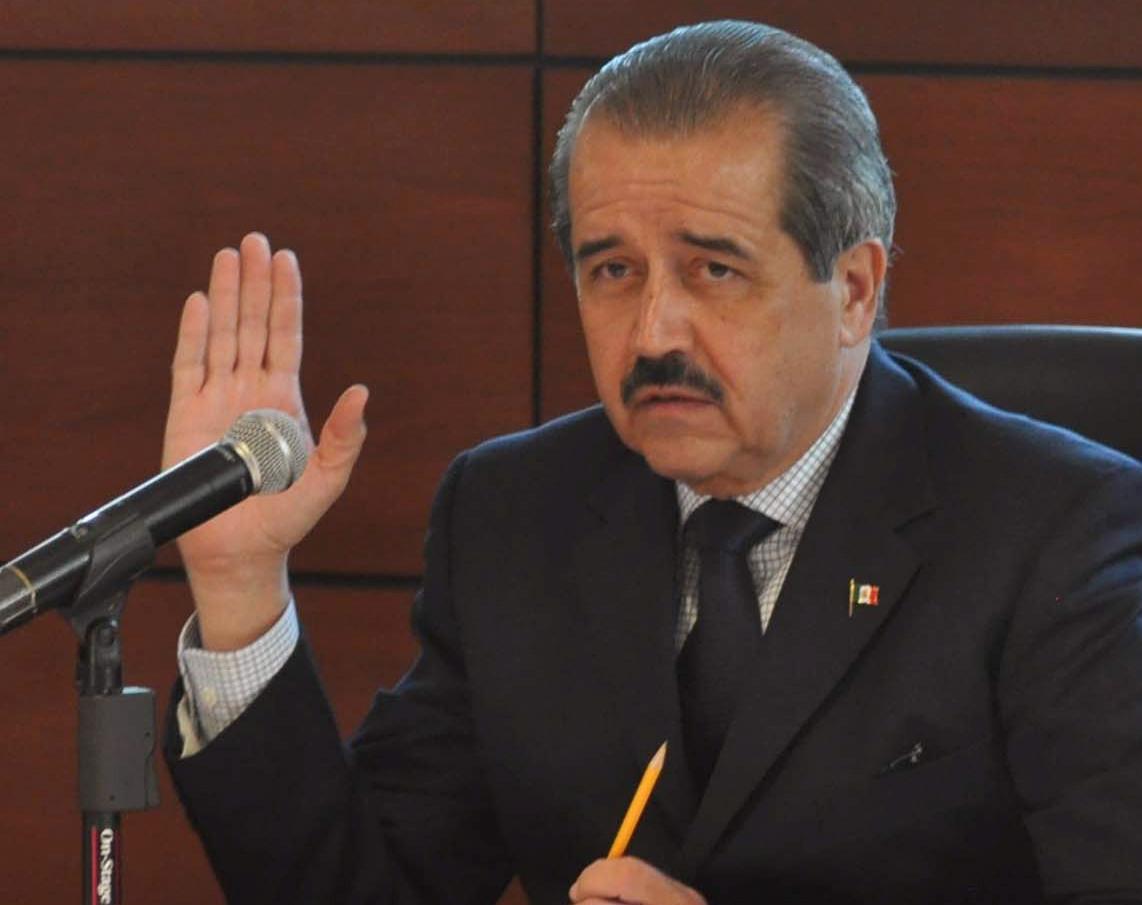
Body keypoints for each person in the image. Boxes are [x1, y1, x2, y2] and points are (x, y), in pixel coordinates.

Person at [162, 20, 1142, 905]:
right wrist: (240, 585)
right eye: (612, 270)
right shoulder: (514, 514)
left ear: (851, 289)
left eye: (713, 269)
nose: (653, 332)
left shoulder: (1059, 534)